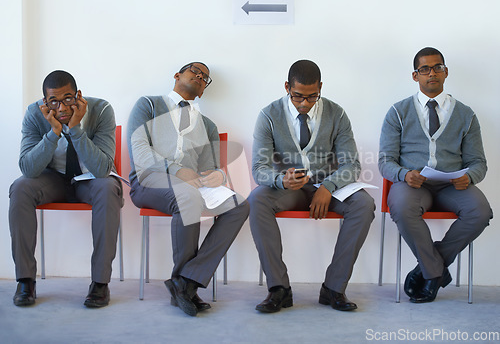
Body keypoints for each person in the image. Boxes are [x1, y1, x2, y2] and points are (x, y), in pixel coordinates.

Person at [249, 59, 375, 313]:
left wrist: (327, 187)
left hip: (328, 187)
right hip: (289, 188)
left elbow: (351, 164)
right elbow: (259, 168)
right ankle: (279, 289)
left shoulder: (337, 114)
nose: (305, 104)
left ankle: (333, 288)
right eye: (297, 97)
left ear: (320, 88)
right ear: (287, 87)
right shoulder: (269, 115)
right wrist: (280, 180)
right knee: (257, 200)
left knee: (363, 204)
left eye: (312, 97)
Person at [127, 61, 249, 317]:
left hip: (193, 187)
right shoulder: (148, 105)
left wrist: (218, 174)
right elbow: (138, 151)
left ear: (204, 90)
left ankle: (186, 282)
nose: (200, 76)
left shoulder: (207, 125)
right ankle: (186, 290)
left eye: (205, 77)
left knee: (240, 204)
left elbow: (211, 167)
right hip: (148, 181)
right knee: (187, 195)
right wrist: (176, 170)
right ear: (177, 75)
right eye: (195, 71)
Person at [378, 47, 493, 303]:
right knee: (402, 205)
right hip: (413, 185)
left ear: (446, 72)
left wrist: (470, 176)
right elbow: (385, 161)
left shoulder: (466, 115)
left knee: (480, 212)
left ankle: (429, 269)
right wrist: (405, 174)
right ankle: (435, 274)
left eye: (438, 67)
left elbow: (479, 162)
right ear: (415, 76)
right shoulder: (398, 112)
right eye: (425, 69)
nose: (432, 73)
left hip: (452, 185)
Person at [9, 70, 123, 308]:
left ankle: (100, 283)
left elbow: (102, 168)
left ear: (78, 95)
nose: (61, 108)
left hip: (89, 178)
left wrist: (76, 128)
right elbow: (28, 169)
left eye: (68, 99)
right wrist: (53, 133)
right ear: (45, 102)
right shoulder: (33, 113)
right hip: (54, 180)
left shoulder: (101, 110)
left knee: (108, 187)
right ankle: (25, 280)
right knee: (20, 188)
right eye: (54, 102)